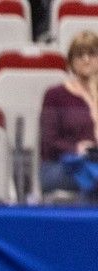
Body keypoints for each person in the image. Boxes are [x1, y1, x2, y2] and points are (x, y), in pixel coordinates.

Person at [39, 30, 98, 196]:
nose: (86, 60)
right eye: (80, 55)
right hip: (61, 166)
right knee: (90, 175)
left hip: (95, 164)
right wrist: (77, 148)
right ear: (71, 62)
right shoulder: (55, 94)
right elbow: (49, 143)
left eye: (92, 54)